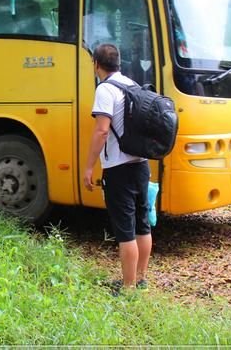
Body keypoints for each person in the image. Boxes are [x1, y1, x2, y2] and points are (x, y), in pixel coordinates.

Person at [83, 43, 152, 294]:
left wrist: (89, 167)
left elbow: (102, 130)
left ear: (96, 65)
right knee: (142, 224)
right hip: (141, 163)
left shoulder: (105, 89)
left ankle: (128, 286)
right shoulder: (131, 85)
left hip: (118, 167)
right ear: (118, 63)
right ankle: (141, 278)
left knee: (126, 229)